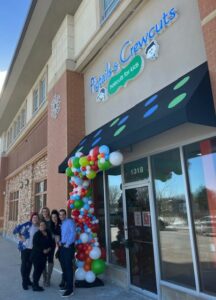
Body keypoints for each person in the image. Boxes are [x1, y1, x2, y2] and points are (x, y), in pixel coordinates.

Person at [13, 212, 39, 290]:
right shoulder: (26, 224)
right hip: (24, 248)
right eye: (34, 217)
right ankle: (24, 282)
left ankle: (27, 280)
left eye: (36, 218)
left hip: (33, 249)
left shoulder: (37, 227)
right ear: (31, 218)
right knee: (24, 265)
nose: (35, 219)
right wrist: (20, 237)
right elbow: (15, 231)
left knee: (30, 265)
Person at [31, 220, 53, 291]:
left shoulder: (48, 233)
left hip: (44, 256)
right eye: (41, 225)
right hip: (37, 255)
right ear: (39, 226)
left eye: (43, 225)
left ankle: (36, 284)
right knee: (37, 270)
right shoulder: (37, 234)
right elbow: (35, 245)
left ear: (45, 226)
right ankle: (35, 286)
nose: (42, 226)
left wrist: (49, 248)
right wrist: (43, 250)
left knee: (40, 270)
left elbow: (51, 243)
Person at [59, 209, 76, 298]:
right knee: (64, 266)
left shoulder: (70, 222)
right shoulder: (62, 223)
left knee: (68, 267)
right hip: (63, 246)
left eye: (63, 214)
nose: (61, 216)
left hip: (68, 247)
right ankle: (67, 285)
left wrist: (67, 244)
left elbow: (73, 233)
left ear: (65, 215)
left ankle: (70, 289)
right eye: (60, 215)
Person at [40, 207, 55, 286]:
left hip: (51, 244)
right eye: (43, 211)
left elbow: (55, 230)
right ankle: (44, 278)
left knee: (50, 260)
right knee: (42, 260)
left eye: (46, 211)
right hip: (43, 244)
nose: (44, 213)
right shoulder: (41, 221)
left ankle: (48, 279)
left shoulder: (52, 220)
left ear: (48, 212)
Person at [50, 209, 65, 287]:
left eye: (55, 217)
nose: (54, 218)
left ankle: (64, 280)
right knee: (62, 263)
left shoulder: (61, 224)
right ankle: (64, 279)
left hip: (63, 245)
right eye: (52, 217)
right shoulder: (52, 225)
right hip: (58, 246)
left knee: (64, 263)